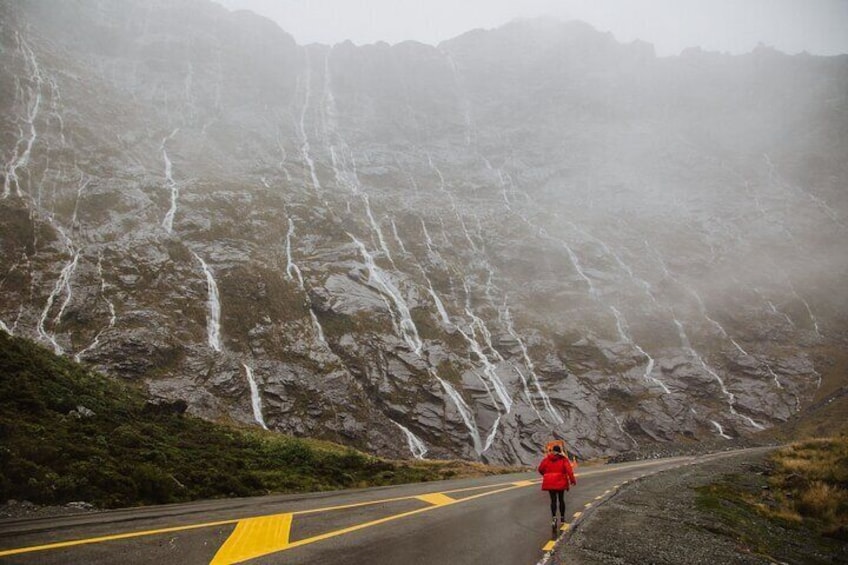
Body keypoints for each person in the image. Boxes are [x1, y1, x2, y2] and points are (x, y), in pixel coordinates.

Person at [538, 444, 577, 526]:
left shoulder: (547, 459)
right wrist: (572, 480)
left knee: (553, 501)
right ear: (560, 451)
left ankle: (554, 519)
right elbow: (569, 470)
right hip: (560, 481)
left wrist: (546, 475)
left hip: (550, 482)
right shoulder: (563, 459)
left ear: (552, 451)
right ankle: (562, 518)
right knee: (561, 500)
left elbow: (540, 469)